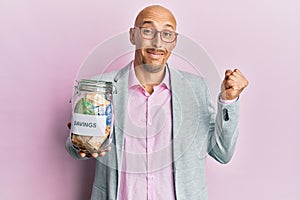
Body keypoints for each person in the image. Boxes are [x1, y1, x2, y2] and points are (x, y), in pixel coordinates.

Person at [66, 5, 248, 200]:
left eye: (167, 34)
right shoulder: (100, 87)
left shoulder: (195, 89)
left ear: (174, 42)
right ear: (132, 36)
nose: (157, 42)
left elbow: (222, 152)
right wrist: (79, 143)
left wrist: (228, 102)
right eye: (147, 31)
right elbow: (75, 145)